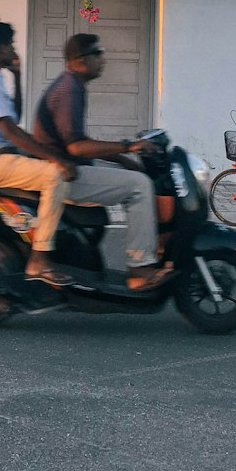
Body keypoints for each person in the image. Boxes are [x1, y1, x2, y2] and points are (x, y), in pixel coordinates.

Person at [34, 32, 171, 292]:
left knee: (133, 174)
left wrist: (123, 158)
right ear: (81, 60)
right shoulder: (69, 89)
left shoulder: (71, 84)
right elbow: (76, 146)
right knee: (140, 186)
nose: (103, 59)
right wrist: (128, 147)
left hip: (72, 167)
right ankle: (140, 268)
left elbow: (81, 142)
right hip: (65, 175)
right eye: (98, 53)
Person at [0, 21, 77, 286]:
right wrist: (54, 159)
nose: (14, 49)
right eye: (11, 44)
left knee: (58, 160)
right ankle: (39, 260)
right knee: (56, 175)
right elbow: (10, 130)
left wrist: (17, 76)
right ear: (0, 46)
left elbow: (13, 117)